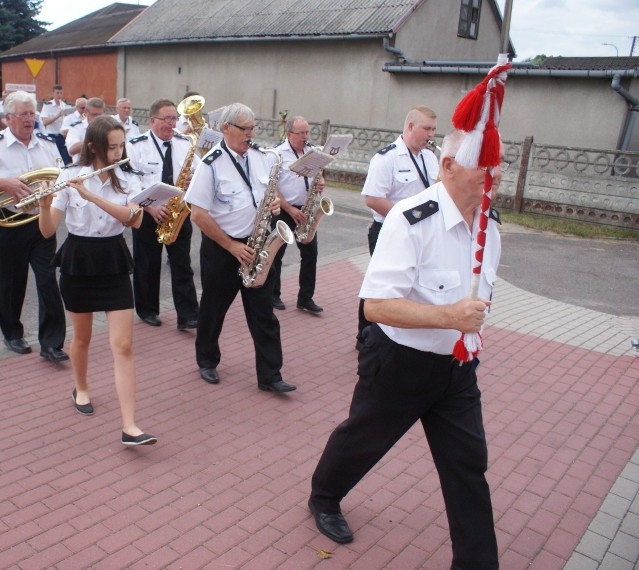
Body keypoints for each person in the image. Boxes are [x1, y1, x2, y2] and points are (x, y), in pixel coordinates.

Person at [308, 129, 503, 568]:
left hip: (457, 369)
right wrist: (449, 316)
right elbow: (376, 305)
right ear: (448, 166)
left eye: (499, 164)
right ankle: (324, 496)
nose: (494, 175)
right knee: (363, 439)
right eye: (484, 164)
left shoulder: (489, 224)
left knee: (467, 467)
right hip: (400, 364)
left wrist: (461, 330)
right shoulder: (410, 218)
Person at [38, 115, 156, 447]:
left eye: (122, 145)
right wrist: (46, 205)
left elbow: (134, 219)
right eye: (113, 147)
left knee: (124, 345)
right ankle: (82, 387)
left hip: (113, 260)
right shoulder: (69, 175)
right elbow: (47, 230)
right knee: (82, 339)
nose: (119, 152)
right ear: (93, 146)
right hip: (78, 259)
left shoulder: (129, 177)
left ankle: (130, 426)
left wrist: (92, 197)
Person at [184, 102, 296, 393]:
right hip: (223, 248)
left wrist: (272, 204)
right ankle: (207, 360)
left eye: (252, 127)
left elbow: (265, 193)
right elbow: (198, 213)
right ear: (226, 129)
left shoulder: (262, 157)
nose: (251, 133)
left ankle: (270, 376)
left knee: (264, 314)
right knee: (213, 309)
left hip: (257, 245)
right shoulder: (210, 164)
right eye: (245, 128)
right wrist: (231, 246)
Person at [0, 90, 68, 362]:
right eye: (23, 114)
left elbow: (61, 174)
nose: (29, 119)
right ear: (7, 118)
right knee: (12, 283)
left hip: (42, 220)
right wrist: (5, 183)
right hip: (9, 223)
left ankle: (51, 343)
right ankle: (12, 334)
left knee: (48, 280)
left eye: (32, 114)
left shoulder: (47, 142)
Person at [126, 99, 199, 329]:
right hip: (149, 213)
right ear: (153, 121)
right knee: (147, 264)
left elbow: (199, 171)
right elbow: (130, 182)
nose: (172, 123)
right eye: (166, 118)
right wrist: (150, 207)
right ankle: (147, 309)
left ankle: (187, 315)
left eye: (174, 118)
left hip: (178, 213)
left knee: (182, 265)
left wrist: (192, 179)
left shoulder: (185, 143)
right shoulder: (135, 145)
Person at [362, 105, 438, 255]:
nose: (431, 135)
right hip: (391, 231)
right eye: (427, 128)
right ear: (410, 126)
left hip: (422, 233)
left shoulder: (431, 157)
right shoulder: (386, 157)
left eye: (433, 130)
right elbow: (373, 199)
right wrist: (408, 219)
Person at [270, 116, 326, 313]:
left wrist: (320, 184)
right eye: (301, 133)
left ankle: (305, 298)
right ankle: (273, 295)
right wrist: (289, 209)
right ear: (289, 134)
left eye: (307, 132)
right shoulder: (278, 154)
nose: (305, 137)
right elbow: (272, 187)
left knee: (311, 255)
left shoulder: (311, 152)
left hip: (306, 210)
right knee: (276, 254)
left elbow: (318, 177)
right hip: (285, 210)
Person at [65, 96, 105, 164]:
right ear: (86, 112)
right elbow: (71, 150)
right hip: (81, 168)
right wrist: (93, 139)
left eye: (100, 115)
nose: (98, 119)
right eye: (94, 115)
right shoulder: (76, 127)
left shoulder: (108, 127)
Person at [40, 84, 72, 165]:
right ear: (53, 93)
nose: (59, 95)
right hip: (51, 136)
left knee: (65, 161)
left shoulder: (65, 106)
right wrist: (58, 115)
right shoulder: (48, 105)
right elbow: (45, 122)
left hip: (62, 137)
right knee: (53, 160)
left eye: (61, 93)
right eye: (57, 93)